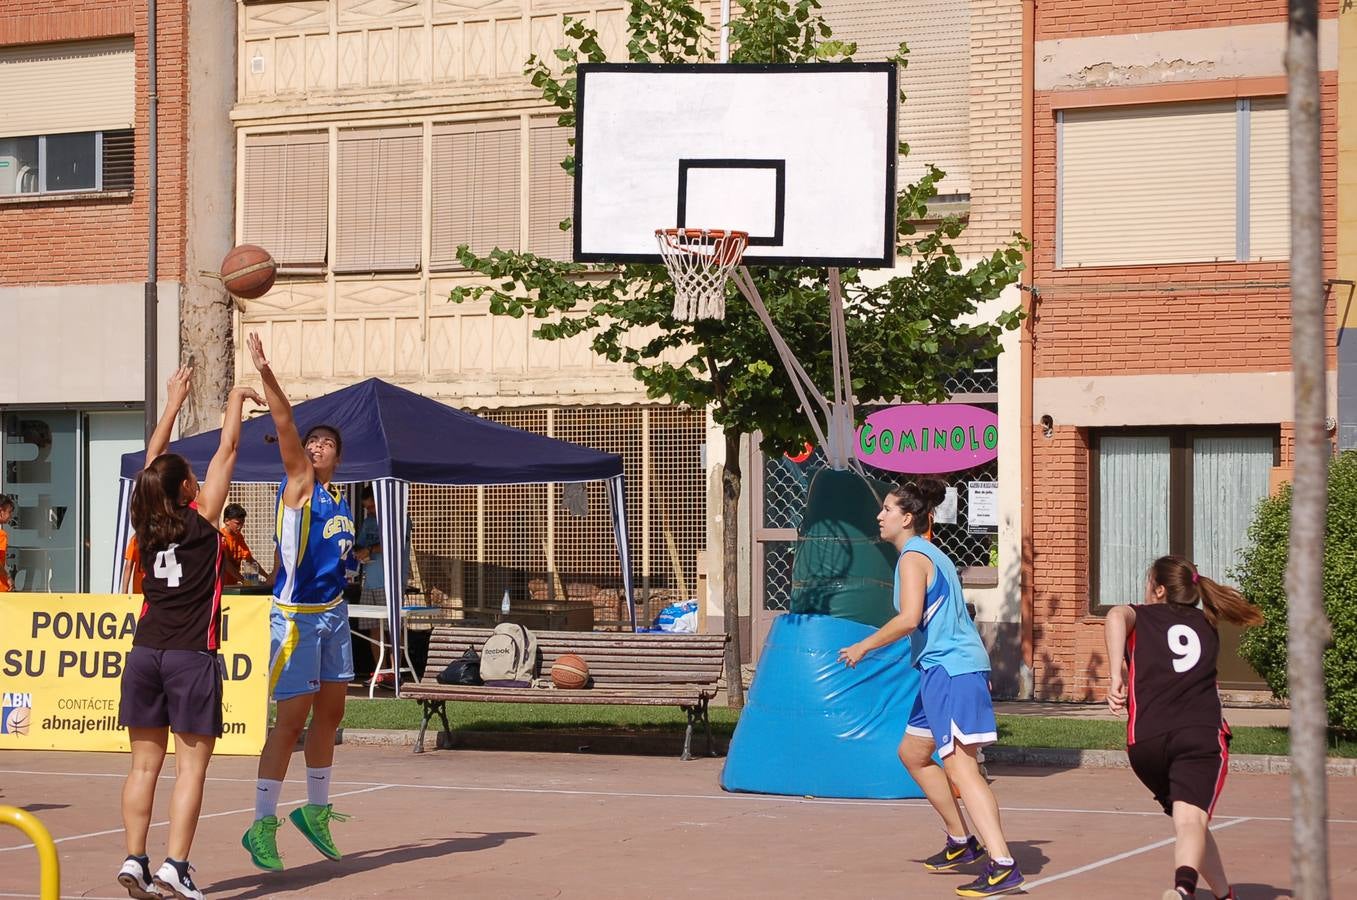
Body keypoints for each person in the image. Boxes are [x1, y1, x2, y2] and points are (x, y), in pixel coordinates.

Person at [838, 479, 1023, 897]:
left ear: (906, 517)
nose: (879, 516)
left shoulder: (913, 558)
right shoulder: (927, 553)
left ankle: (1003, 864)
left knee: (960, 766)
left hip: (953, 672)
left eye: (886, 509)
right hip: (938, 670)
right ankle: (962, 840)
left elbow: (908, 619)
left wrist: (863, 646)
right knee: (913, 753)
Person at [117, 365, 260, 900]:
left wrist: (173, 403)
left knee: (142, 766)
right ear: (187, 489)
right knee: (191, 768)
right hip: (190, 657)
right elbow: (226, 449)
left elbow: (152, 465)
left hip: (145, 653)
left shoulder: (146, 522)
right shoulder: (204, 521)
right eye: (191, 477)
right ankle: (175, 865)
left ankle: (134, 858)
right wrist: (236, 400)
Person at [241, 332, 356, 873]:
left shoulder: (340, 500)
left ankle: (314, 811)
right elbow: (285, 425)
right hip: (296, 620)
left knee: (331, 715)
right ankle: (261, 822)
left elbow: (341, 558)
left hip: (333, 614)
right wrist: (267, 373)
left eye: (325, 443)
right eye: (311, 442)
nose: (315, 446)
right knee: (290, 721)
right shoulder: (300, 485)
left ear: (339, 455)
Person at [1104, 556, 1263, 900]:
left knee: (1190, 821)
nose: (1145, 592)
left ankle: (1224, 894)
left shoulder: (1141, 617)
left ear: (1159, 590)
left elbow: (1115, 614)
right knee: (1192, 821)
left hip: (1145, 744)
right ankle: (1183, 890)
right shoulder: (1207, 624)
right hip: (1198, 736)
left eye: (1148, 585)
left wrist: (1116, 672)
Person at [353, 485, 412, 684]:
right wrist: (357, 552)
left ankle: (395, 671)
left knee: (392, 627)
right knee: (373, 628)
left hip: (390, 582)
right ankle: (380, 669)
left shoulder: (399, 520)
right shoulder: (369, 521)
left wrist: (370, 550)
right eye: (366, 508)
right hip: (369, 581)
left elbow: (394, 544)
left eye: (372, 507)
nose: (369, 512)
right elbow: (360, 544)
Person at [220, 503, 267, 586]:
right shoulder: (221, 538)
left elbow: (250, 560)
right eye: (237, 523)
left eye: (242, 523)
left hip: (231, 585)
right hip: (220, 587)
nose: (241, 526)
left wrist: (267, 577)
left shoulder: (239, 537)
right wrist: (243, 580)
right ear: (227, 521)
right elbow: (225, 564)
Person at [0, 495, 14, 592]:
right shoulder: (1, 535)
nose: (11, 516)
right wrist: (8, 577)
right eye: (9, 512)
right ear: (1, 511)